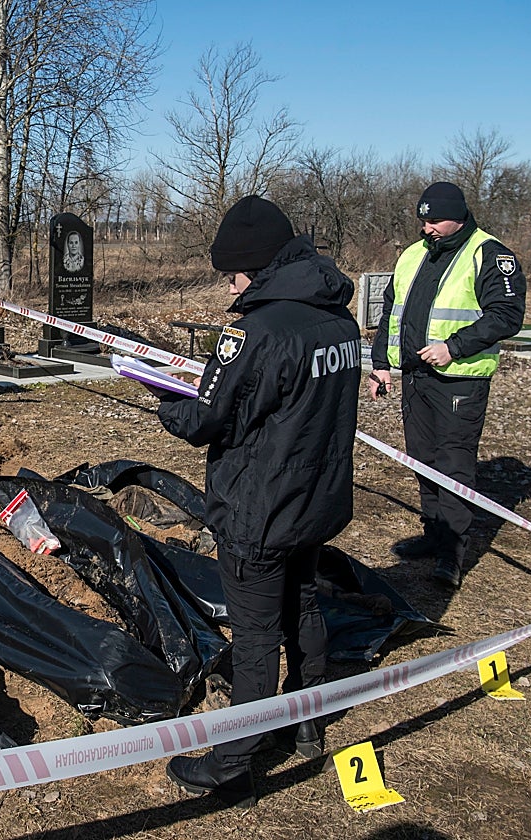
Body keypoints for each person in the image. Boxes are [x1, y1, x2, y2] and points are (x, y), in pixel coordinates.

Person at [154, 195, 361, 806]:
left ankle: (232, 762)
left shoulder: (257, 332)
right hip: (313, 500)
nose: (231, 283)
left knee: (254, 635)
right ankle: (307, 722)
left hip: (259, 509)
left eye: (233, 271)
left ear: (257, 265)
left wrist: (165, 401)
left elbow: (208, 419)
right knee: (303, 609)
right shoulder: (340, 324)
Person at [368, 182, 526, 587]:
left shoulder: (489, 254)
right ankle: (433, 535)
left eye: (435, 220)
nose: (427, 227)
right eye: (423, 219)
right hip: (416, 377)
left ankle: (452, 553)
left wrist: (453, 348)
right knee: (421, 458)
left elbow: (506, 315)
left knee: (453, 464)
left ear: (459, 215)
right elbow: (391, 311)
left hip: (459, 381)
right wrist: (382, 363)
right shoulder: (413, 254)